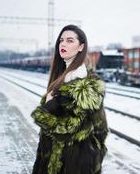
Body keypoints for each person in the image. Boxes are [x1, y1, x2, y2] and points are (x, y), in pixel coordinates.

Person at [31, 25, 108, 174]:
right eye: (61, 40)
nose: (63, 44)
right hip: (56, 161)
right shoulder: (64, 76)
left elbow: (69, 129)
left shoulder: (83, 84)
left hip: (74, 165)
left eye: (70, 40)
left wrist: (44, 114)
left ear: (81, 47)